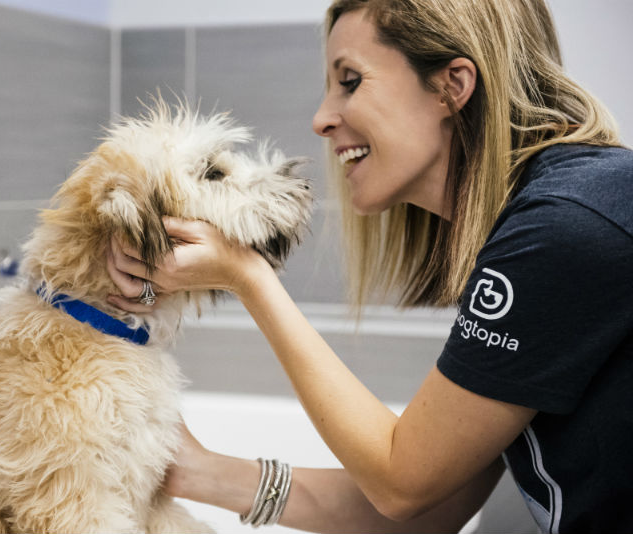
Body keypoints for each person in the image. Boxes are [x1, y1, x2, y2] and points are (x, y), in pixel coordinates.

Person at [107, 0, 633, 532]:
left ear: (453, 85)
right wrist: (198, 474)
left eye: (350, 81)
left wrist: (250, 278)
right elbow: (432, 507)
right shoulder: (550, 219)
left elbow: (402, 485)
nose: (321, 118)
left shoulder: (566, 227)